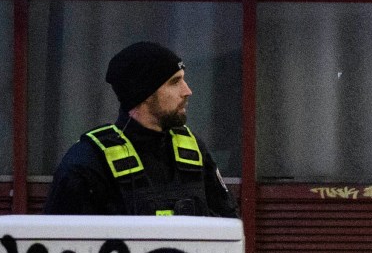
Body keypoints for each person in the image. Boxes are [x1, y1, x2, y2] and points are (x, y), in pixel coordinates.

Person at [45, 41, 239, 217]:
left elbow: (229, 225)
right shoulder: (88, 162)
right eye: (174, 82)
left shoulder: (193, 149)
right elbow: (61, 246)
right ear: (144, 93)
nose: (187, 91)